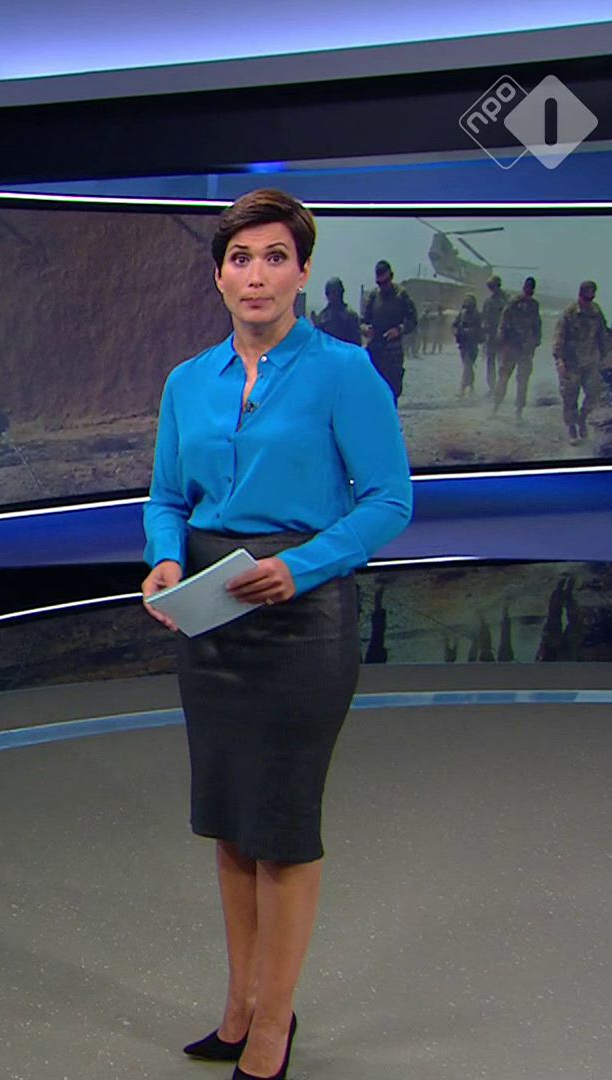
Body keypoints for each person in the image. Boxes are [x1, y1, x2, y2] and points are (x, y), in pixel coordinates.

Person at [142, 189, 412, 1080]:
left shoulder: (345, 372)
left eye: (274, 257)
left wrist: (305, 566)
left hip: (302, 618)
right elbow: (167, 498)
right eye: (239, 258)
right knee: (230, 823)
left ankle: (273, 1028)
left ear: (302, 273)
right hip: (210, 618)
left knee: (283, 825)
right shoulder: (188, 382)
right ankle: (239, 1007)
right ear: (218, 277)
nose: (255, 275)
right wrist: (164, 561)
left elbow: (389, 501)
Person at [554, 280, 608, 445]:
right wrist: (559, 360)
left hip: (590, 361)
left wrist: (604, 355)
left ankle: (582, 418)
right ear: (581, 293)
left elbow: (602, 334)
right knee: (570, 397)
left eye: (593, 293)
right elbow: (559, 337)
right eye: (588, 293)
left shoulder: (596, 312)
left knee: (595, 392)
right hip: (571, 362)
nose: (591, 296)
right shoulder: (569, 313)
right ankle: (572, 430)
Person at [358, 259, 416, 404]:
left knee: (391, 394)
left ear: (391, 277)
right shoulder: (374, 296)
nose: (382, 287)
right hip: (375, 351)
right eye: (379, 283)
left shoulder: (401, 295)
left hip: (393, 353)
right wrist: (365, 329)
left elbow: (412, 320)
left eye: (385, 282)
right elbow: (363, 321)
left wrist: (399, 330)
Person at [493, 276, 542, 420]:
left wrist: (535, 342)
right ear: (524, 287)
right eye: (528, 287)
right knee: (503, 377)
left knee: (523, 381)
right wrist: (502, 340)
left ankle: (519, 411)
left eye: (531, 288)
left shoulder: (534, 305)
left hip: (525, 349)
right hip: (511, 346)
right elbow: (504, 321)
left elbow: (537, 325)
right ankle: (496, 406)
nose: (529, 290)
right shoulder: (514, 302)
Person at [479, 275, 508, 398]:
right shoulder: (489, 301)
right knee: (491, 363)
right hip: (491, 336)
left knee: (502, 363)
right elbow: (484, 317)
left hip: (503, 337)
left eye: (493, 286)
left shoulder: (505, 301)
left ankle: (500, 388)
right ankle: (492, 388)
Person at [307, 277, 359, 345]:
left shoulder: (350, 315)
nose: (336, 296)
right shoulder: (323, 317)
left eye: (338, 292)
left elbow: (356, 341)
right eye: (333, 293)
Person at [452, 295, 484, 399]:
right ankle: (471, 387)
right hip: (463, 344)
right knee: (468, 367)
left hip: (472, 344)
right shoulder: (462, 314)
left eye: (469, 301)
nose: (467, 303)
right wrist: (457, 332)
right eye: (466, 301)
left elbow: (480, 329)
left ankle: (462, 389)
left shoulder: (477, 315)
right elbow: (454, 325)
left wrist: (470, 331)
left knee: (467, 365)